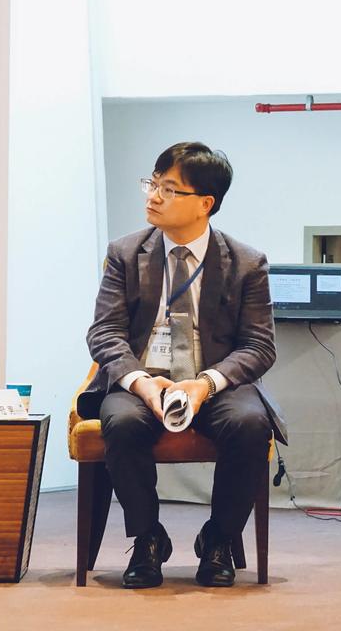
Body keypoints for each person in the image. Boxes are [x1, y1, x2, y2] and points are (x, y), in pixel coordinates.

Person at [80, 142, 287, 588]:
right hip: (144, 380)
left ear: (205, 204)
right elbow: (104, 332)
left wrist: (205, 384)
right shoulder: (124, 253)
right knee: (122, 421)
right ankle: (148, 538)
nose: (152, 196)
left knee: (251, 424)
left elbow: (259, 346)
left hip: (213, 385)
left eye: (169, 189)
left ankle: (218, 539)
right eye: (152, 184)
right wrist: (139, 381)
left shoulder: (247, 263)